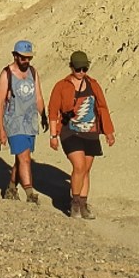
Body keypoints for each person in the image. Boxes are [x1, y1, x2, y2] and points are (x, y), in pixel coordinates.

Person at [48, 50, 116, 219]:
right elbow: (53, 111)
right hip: (69, 131)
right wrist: (53, 135)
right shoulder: (61, 86)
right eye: (78, 69)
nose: (81, 72)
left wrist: (108, 132)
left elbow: (102, 107)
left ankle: (84, 205)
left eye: (84, 68)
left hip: (91, 132)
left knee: (86, 169)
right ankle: (75, 203)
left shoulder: (93, 84)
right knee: (78, 166)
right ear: (71, 67)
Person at [0, 39, 47, 204]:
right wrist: (1, 130)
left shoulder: (33, 72)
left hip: (30, 121)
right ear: (15, 56)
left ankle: (11, 188)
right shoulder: (6, 74)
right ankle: (30, 193)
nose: (26, 61)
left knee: (22, 156)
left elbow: (38, 96)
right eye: (23, 58)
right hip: (14, 122)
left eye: (29, 58)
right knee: (25, 158)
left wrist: (44, 115)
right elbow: (0, 103)